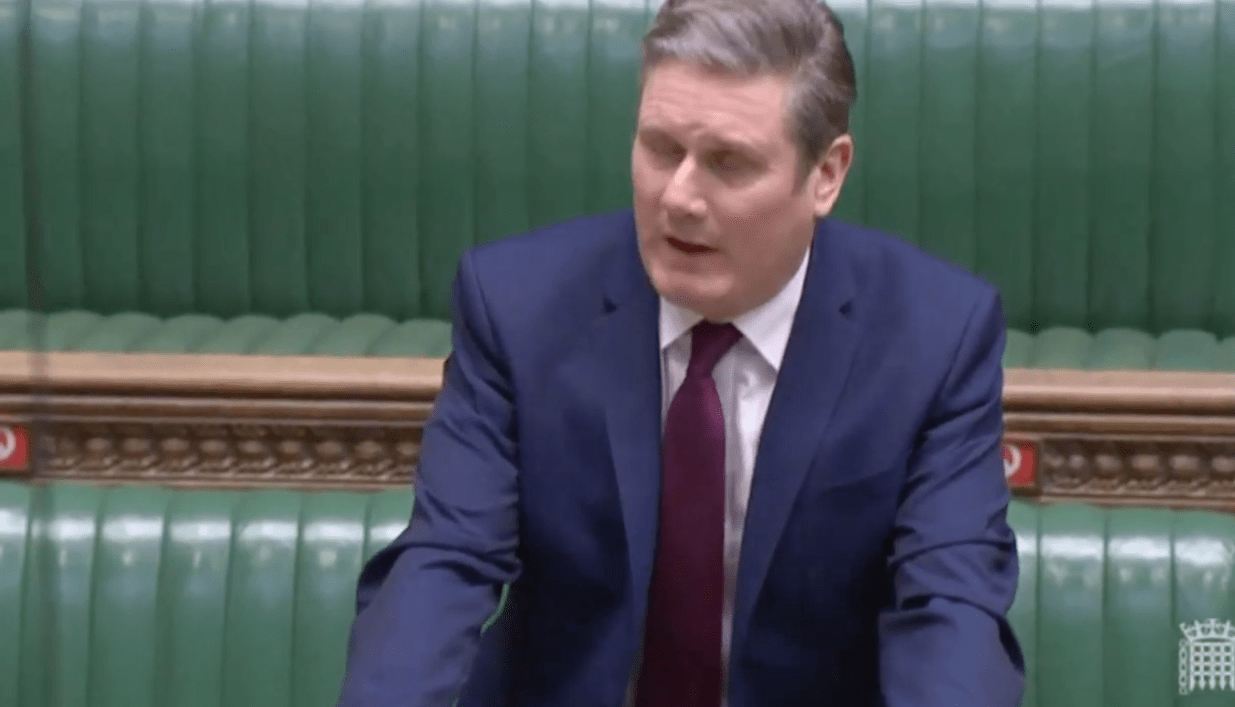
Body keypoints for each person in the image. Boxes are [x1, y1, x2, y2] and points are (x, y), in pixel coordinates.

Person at [336, 0, 1025, 704]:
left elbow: (951, 612)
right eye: (661, 149)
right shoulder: (517, 309)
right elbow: (443, 564)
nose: (679, 197)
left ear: (826, 173)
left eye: (729, 163)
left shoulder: (933, 340)